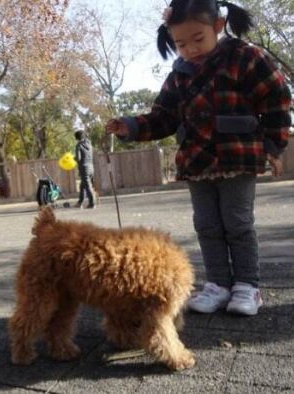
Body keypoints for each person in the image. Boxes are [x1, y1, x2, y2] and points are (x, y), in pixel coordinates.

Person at [105, 0, 291, 316]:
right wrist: (132, 126)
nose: (190, 49)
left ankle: (248, 285)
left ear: (218, 27)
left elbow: (277, 98)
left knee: (238, 222)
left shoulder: (245, 57)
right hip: (196, 162)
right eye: (181, 43)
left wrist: (273, 146)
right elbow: (163, 116)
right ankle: (218, 283)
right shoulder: (179, 75)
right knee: (206, 224)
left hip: (238, 157)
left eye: (198, 38)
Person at [74, 130, 96, 209]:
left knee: (87, 186)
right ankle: (80, 202)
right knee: (82, 186)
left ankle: (92, 204)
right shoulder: (89, 144)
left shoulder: (78, 146)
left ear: (76, 138)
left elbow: (78, 158)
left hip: (84, 168)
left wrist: (73, 158)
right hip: (91, 167)